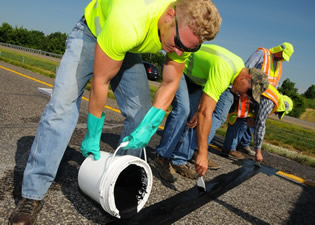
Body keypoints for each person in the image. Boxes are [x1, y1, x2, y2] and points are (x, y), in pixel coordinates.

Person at [9, 0, 222, 224]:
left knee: (141, 114)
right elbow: (101, 81)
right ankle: (32, 194)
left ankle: (117, 179)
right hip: (93, 32)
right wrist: (93, 132)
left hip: (128, 45)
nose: (180, 51)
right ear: (170, 15)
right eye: (179, 43)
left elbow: (170, 83)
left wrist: (150, 124)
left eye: (189, 48)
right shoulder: (130, 18)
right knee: (62, 108)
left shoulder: (185, 36)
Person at [154, 44, 269, 182]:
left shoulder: (238, 68)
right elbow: (205, 113)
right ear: (247, 76)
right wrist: (202, 153)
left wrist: (199, 110)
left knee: (195, 119)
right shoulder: (225, 70)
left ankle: (178, 160)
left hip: (195, 78)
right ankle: (162, 157)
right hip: (177, 63)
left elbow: (204, 109)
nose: (245, 96)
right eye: (248, 92)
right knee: (183, 110)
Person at [236, 42, 294, 155]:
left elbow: (275, 83)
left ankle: (244, 144)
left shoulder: (279, 65)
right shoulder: (263, 54)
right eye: (282, 55)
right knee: (243, 118)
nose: (282, 59)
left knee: (254, 120)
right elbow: (247, 67)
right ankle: (232, 145)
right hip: (249, 90)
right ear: (279, 49)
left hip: (265, 96)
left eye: (284, 58)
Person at [223, 86, 294, 163]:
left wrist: (251, 117)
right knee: (238, 122)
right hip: (240, 96)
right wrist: (258, 152)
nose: (276, 114)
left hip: (243, 97)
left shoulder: (274, 97)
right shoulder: (270, 102)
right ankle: (229, 149)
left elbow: (256, 104)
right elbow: (260, 125)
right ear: (282, 107)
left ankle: (231, 148)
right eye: (279, 112)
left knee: (242, 123)